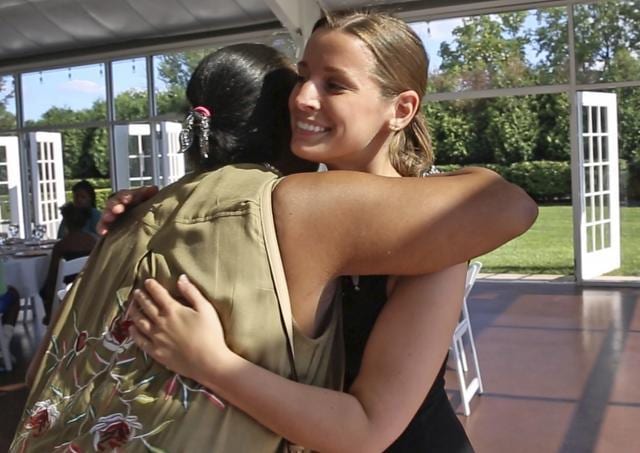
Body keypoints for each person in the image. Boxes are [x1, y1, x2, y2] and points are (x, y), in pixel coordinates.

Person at [14, 40, 534, 453]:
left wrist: (213, 362)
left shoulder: (426, 228)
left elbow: (369, 426)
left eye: (333, 84)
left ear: (399, 108)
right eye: (303, 79)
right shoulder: (290, 205)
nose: (305, 98)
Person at [40, 204, 97, 324]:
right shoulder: (94, 242)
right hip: (89, 287)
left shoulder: (61, 246)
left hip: (65, 290)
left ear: (66, 222)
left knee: (44, 289)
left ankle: (51, 320)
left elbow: (53, 276)